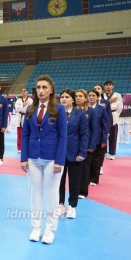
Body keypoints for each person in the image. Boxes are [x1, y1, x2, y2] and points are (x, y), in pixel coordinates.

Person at [21, 75, 67, 245]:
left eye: (44, 87)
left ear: (51, 90)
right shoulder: (30, 109)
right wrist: (24, 158)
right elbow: (25, 135)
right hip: (33, 158)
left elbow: (63, 136)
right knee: (35, 193)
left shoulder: (59, 109)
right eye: (38, 87)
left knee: (53, 195)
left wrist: (59, 161)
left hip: (52, 158)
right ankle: (35, 227)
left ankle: (50, 229)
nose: (40, 90)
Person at [58, 89, 89, 220]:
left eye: (67, 97)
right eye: (62, 97)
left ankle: (72, 206)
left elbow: (84, 134)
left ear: (72, 99)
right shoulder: (56, 113)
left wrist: (82, 152)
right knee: (59, 181)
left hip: (75, 153)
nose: (64, 99)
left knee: (74, 181)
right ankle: (60, 204)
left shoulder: (80, 114)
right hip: (58, 153)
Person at [87, 89, 109, 187]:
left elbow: (105, 125)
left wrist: (104, 140)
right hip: (87, 138)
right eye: (89, 95)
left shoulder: (102, 109)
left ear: (97, 97)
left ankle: (94, 179)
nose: (91, 97)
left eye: (93, 95)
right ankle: (86, 178)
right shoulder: (84, 109)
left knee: (96, 160)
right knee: (87, 160)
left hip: (98, 138)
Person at [103, 80, 123, 160]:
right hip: (103, 116)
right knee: (103, 136)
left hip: (113, 115)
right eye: (106, 85)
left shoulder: (117, 95)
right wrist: (109, 101)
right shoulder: (102, 95)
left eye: (110, 85)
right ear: (104, 86)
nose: (108, 86)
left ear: (112, 86)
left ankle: (112, 153)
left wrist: (115, 115)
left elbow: (120, 107)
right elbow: (100, 105)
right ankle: (103, 152)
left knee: (113, 136)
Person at [15, 87, 33, 153]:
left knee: (27, 134)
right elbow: (17, 109)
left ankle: (27, 147)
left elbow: (31, 110)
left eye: (25, 91)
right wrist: (23, 106)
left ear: (27, 92)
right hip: (19, 118)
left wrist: (22, 108)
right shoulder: (18, 100)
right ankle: (19, 147)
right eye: (22, 91)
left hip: (27, 117)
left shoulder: (31, 100)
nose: (23, 92)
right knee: (19, 134)